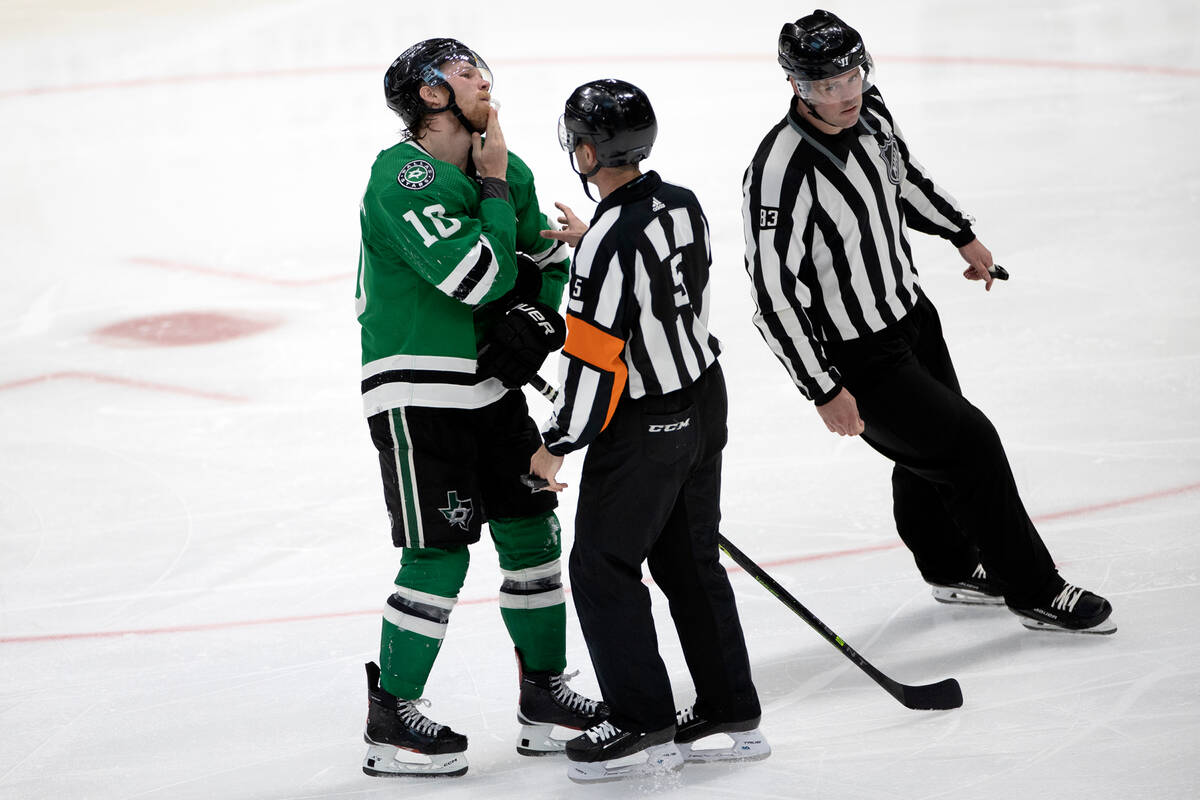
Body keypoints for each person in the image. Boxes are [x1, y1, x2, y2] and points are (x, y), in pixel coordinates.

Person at [742, 10, 1115, 634]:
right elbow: (773, 298)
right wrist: (823, 387)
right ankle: (1035, 590)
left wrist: (960, 234)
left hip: (912, 318)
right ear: (796, 87)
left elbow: (903, 180)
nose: (845, 94)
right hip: (860, 355)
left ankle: (947, 565)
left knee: (934, 450)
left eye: (853, 75)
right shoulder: (780, 172)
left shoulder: (872, 112)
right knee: (971, 446)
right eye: (827, 85)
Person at [354, 37, 607, 778]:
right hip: (418, 388)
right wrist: (496, 205)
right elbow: (480, 278)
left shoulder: (510, 167)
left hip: (488, 389)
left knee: (532, 531)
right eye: (463, 72)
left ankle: (545, 697)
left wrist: (542, 323)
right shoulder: (403, 174)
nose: (482, 79)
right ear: (431, 96)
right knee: (437, 551)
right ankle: (390, 719)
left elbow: (550, 261)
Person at [530, 79, 769, 784]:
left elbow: (594, 363)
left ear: (584, 151)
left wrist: (555, 444)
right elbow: (662, 281)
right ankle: (730, 705)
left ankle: (639, 720)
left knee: (601, 567)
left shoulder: (608, 243)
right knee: (689, 560)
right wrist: (594, 239)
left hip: (647, 424)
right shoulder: (681, 203)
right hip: (704, 401)